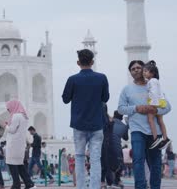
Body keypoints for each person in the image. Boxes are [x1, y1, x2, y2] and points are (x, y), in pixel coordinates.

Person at [118, 60, 172, 189]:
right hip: (137, 130)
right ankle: (140, 186)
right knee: (137, 160)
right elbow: (121, 109)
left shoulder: (154, 86)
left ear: (145, 70)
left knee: (155, 163)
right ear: (130, 73)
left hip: (155, 132)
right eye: (133, 69)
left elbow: (168, 107)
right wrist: (136, 108)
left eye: (139, 67)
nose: (136, 70)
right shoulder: (127, 89)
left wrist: (155, 110)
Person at [62, 49, 109, 189]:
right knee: (95, 159)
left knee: (80, 157)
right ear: (92, 62)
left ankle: (81, 187)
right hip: (96, 124)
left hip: (79, 124)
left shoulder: (72, 79)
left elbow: (65, 99)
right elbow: (105, 98)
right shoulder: (102, 78)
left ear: (78, 62)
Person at [5, 100, 36, 189]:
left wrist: (6, 126)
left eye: (9, 108)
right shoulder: (24, 116)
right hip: (20, 145)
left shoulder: (16, 116)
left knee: (11, 164)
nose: (8, 110)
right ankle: (29, 183)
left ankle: (16, 184)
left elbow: (12, 130)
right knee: (19, 165)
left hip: (13, 145)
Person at [143, 60, 171, 150]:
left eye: (145, 71)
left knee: (150, 119)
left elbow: (154, 93)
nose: (144, 73)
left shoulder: (152, 81)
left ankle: (155, 138)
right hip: (160, 102)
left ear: (152, 73)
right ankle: (165, 138)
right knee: (160, 121)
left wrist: (152, 105)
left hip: (155, 102)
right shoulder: (155, 81)